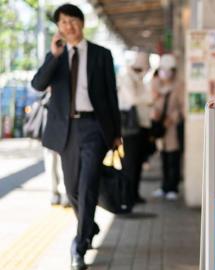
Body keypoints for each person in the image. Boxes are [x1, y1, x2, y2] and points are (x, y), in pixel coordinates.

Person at [30, 4, 121, 270]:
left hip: (94, 127)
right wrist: (53, 55)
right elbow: (37, 85)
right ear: (58, 27)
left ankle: (79, 246)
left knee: (88, 185)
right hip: (65, 130)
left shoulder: (101, 55)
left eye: (72, 20)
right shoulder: (56, 56)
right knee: (71, 190)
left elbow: (110, 96)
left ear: (81, 23)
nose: (68, 26)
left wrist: (115, 134)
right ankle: (89, 225)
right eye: (63, 22)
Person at [117, 52, 152, 204]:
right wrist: (150, 98)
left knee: (137, 163)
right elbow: (132, 99)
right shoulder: (126, 78)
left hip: (142, 126)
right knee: (130, 164)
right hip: (130, 128)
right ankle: (127, 196)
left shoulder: (139, 80)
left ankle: (134, 194)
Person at [151, 66, 183, 200]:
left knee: (173, 158)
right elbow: (152, 105)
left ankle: (173, 187)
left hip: (172, 127)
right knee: (163, 157)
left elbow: (181, 107)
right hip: (160, 127)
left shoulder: (179, 87)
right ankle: (164, 186)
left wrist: (172, 118)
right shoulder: (157, 87)